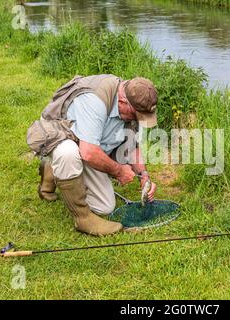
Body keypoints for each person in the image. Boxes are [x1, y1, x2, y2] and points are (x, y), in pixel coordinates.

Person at [37, 74, 158, 236]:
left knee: (105, 206)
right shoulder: (95, 100)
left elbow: (132, 146)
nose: (138, 120)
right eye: (136, 115)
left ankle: (55, 170)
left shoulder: (133, 102)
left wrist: (144, 175)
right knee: (67, 153)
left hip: (90, 145)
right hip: (63, 135)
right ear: (123, 102)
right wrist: (119, 171)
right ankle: (82, 217)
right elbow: (88, 152)